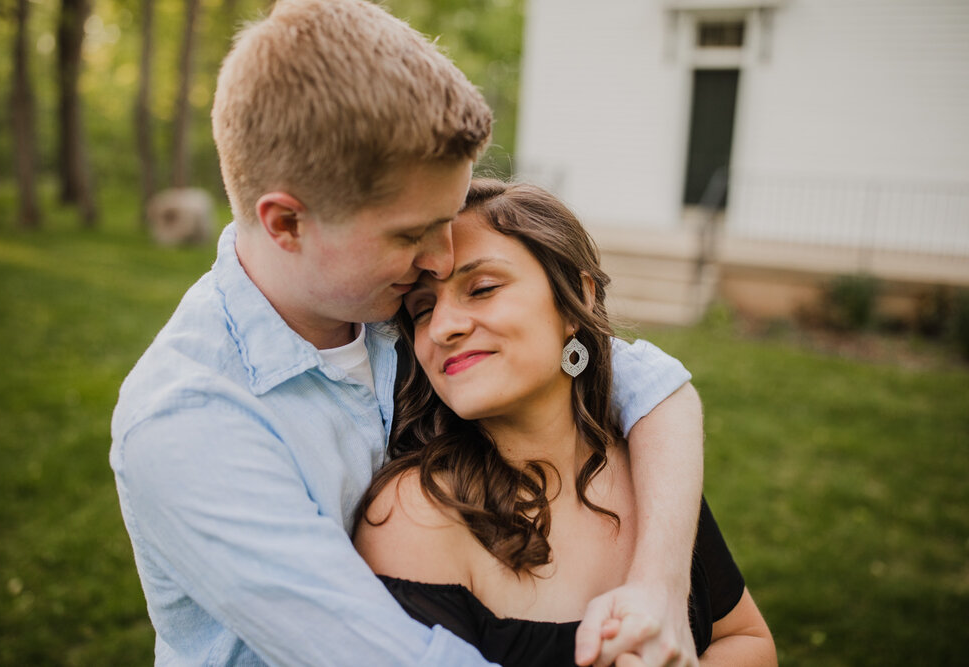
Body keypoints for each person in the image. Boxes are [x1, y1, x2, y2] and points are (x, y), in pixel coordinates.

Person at [110, 1, 704, 664]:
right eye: (410, 234)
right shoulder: (188, 423)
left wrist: (660, 586)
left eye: (446, 219)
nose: (442, 258)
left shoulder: (391, 307)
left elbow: (645, 380)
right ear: (286, 224)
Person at [354, 179, 778, 667]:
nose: (444, 326)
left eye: (483, 288)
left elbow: (746, 640)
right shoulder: (419, 514)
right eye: (422, 309)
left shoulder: (654, 474)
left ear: (575, 297)